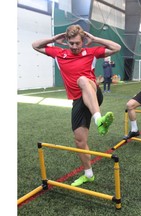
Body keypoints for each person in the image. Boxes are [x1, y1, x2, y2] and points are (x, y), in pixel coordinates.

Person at [32, 24, 121, 186]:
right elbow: (35, 45)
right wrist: (53, 39)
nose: (74, 47)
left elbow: (116, 47)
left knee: (82, 80)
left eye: (77, 43)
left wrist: (94, 39)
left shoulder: (92, 52)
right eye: (71, 43)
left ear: (83, 42)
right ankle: (88, 174)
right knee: (79, 141)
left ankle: (98, 119)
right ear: (66, 41)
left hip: (92, 92)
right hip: (78, 101)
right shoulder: (60, 54)